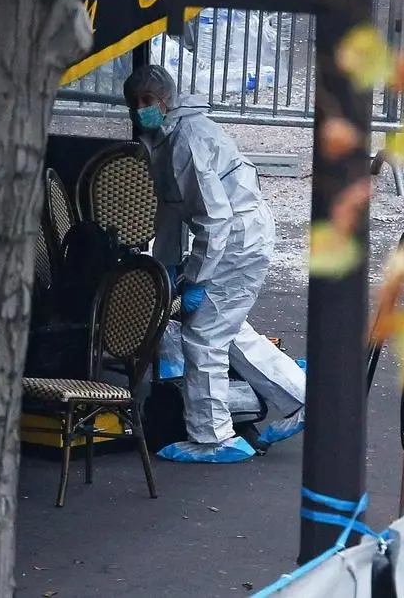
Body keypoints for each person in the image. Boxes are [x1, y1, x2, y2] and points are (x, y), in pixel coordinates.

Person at [123, 65, 307, 463]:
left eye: (148, 101)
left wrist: (196, 278)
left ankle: (213, 439)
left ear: (166, 100)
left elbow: (213, 217)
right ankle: (302, 395)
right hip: (240, 236)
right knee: (226, 327)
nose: (141, 110)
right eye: (135, 103)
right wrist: (168, 266)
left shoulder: (187, 139)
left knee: (203, 336)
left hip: (235, 239)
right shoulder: (167, 137)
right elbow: (171, 210)